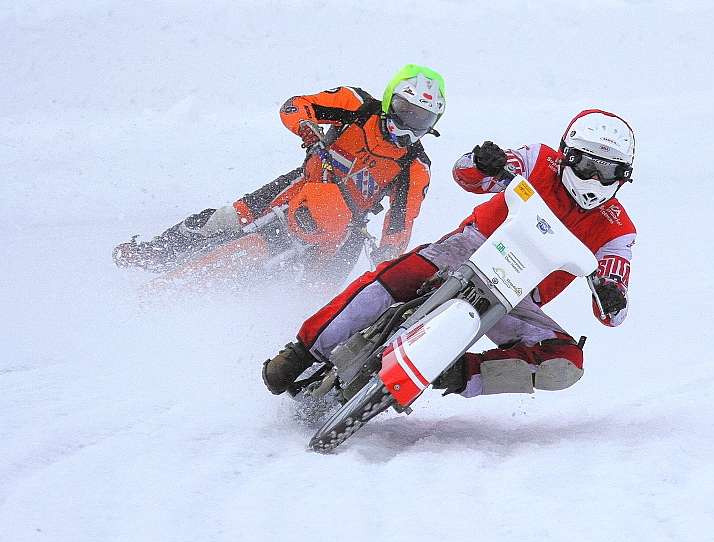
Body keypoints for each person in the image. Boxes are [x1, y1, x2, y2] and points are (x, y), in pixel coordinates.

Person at [262, 109, 636, 398]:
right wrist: (484, 161)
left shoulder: (618, 230)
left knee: (566, 364)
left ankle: (457, 371)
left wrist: (610, 293)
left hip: (515, 298)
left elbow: (613, 313)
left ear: (623, 175)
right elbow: (466, 175)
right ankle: (302, 352)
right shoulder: (539, 161)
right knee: (392, 279)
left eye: (608, 172)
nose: (593, 180)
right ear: (568, 156)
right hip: (470, 250)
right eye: (587, 165)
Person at [113, 64, 446, 282]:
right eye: (404, 111)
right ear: (390, 101)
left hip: (346, 229)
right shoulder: (357, 105)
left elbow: (401, 221)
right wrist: (305, 127)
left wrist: (388, 257)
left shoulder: (414, 166)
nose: (407, 127)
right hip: (302, 185)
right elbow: (294, 105)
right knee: (226, 219)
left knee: (319, 297)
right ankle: (158, 250)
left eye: (421, 120)